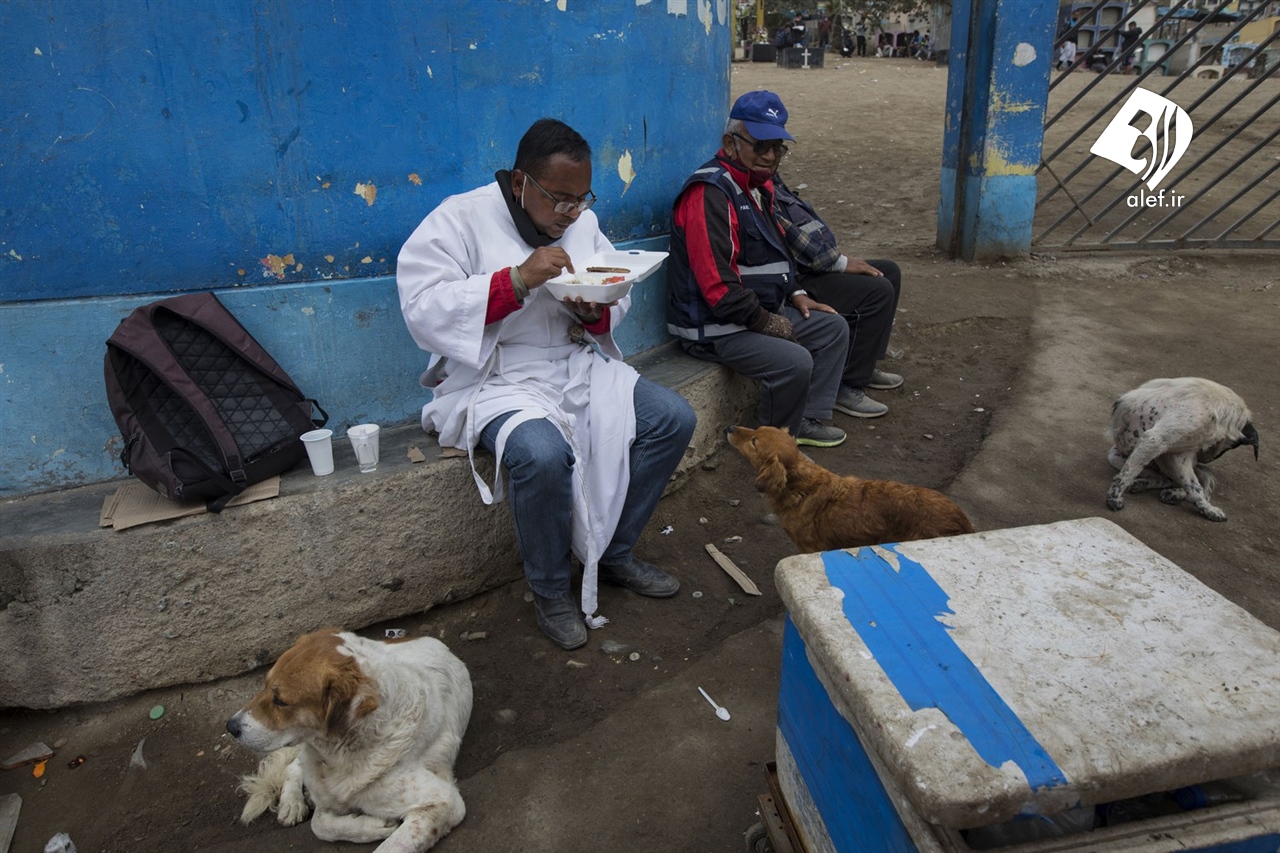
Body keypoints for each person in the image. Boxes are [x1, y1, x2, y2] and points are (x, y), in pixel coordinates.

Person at [397, 119, 696, 651]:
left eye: (582, 199)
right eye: (560, 199)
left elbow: (615, 288)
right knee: (541, 453)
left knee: (673, 418)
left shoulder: (584, 222)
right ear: (520, 183)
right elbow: (423, 308)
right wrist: (515, 280)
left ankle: (613, 553)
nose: (571, 213)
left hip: (573, 362)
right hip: (494, 377)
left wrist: (595, 310)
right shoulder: (458, 219)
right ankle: (552, 590)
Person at [667, 91, 900, 450]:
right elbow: (718, 289)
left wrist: (795, 292)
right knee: (793, 360)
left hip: (749, 313)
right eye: (761, 146)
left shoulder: (756, 187)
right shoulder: (710, 193)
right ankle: (771, 446)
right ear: (730, 143)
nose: (770, 156)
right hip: (715, 327)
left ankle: (805, 420)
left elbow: (775, 255)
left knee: (831, 328)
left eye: (777, 148)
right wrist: (767, 322)